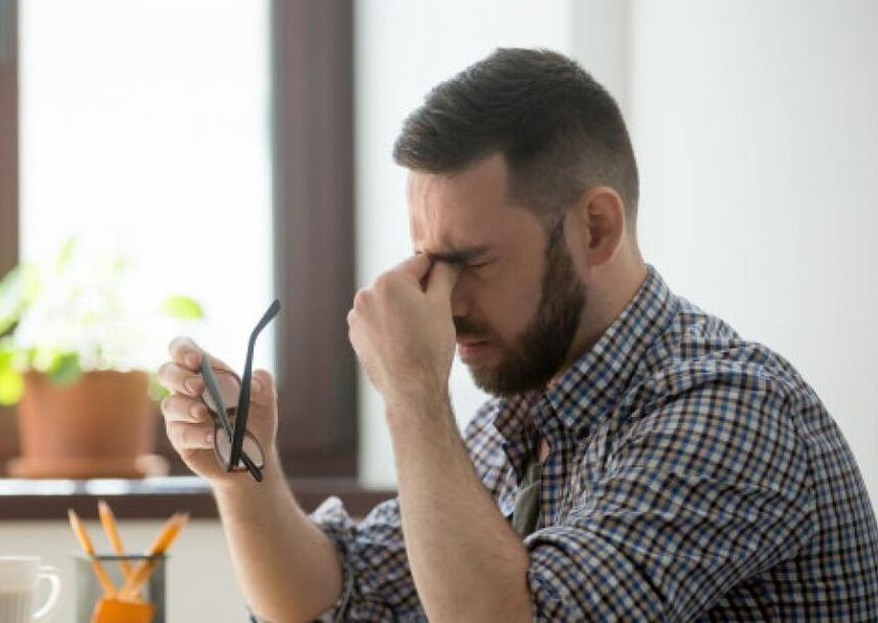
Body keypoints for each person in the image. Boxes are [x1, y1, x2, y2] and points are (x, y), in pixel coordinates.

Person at [158, 48, 878, 621]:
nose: (442, 302)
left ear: (595, 228)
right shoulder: (520, 419)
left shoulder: (730, 411)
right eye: (428, 262)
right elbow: (338, 597)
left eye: (472, 261)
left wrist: (412, 391)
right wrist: (241, 473)